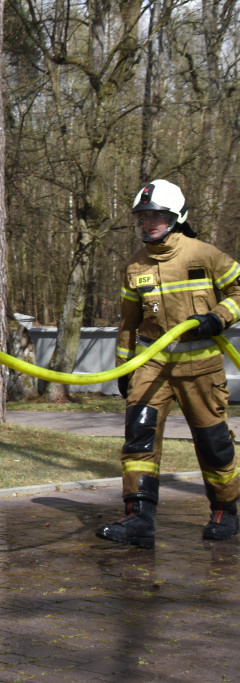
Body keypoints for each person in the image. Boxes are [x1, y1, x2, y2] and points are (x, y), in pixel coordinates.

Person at [97, 179, 240, 548]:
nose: (148, 223)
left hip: (201, 368)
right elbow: (128, 322)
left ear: (177, 216)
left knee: (213, 444)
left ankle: (225, 512)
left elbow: (239, 290)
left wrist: (218, 317)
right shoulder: (135, 265)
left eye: (156, 216)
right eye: (143, 217)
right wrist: (126, 367)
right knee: (138, 440)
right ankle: (138, 520)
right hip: (152, 367)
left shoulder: (204, 255)